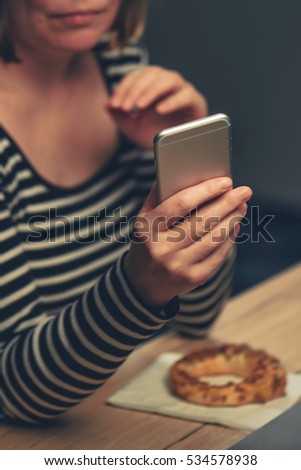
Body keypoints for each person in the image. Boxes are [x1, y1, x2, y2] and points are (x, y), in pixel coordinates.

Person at [0, 0, 252, 424]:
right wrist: (138, 288)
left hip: (136, 398)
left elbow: (197, 319)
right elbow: (15, 395)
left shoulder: (118, 64)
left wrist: (191, 167)